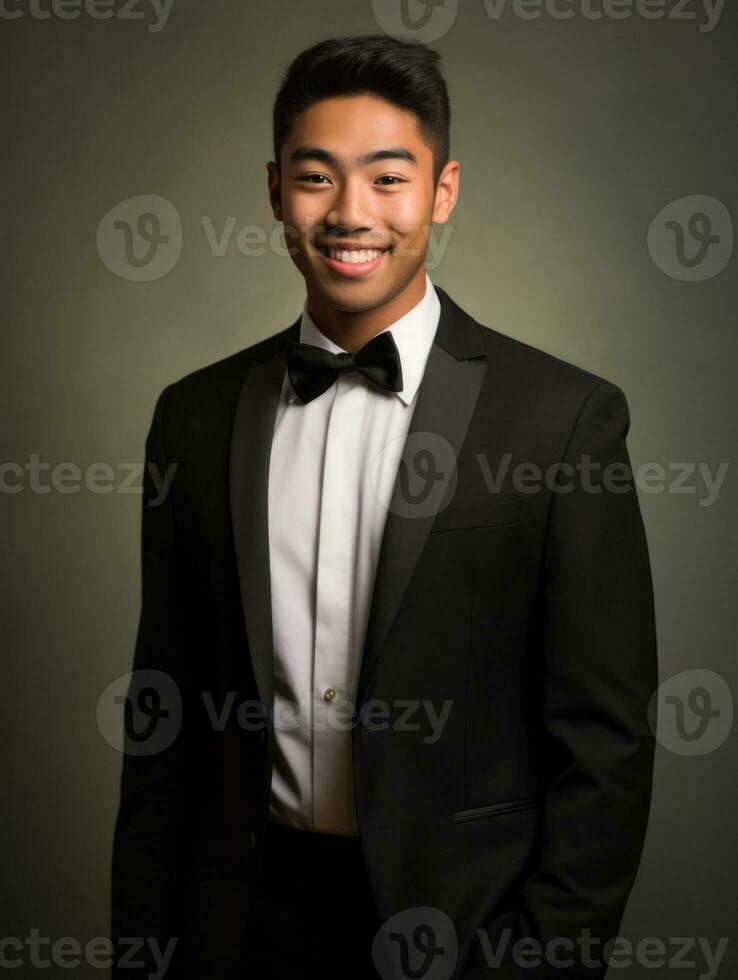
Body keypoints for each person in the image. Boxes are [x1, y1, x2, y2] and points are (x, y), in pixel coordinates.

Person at [111, 34, 658, 980]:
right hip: (238, 931)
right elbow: (165, 723)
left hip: (466, 933)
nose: (350, 214)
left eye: (387, 178)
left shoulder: (563, 418)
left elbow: (606, 746)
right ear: (275, 190)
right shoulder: (192, 418)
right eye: (318, 178)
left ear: (442, 192)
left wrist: (543, 960)